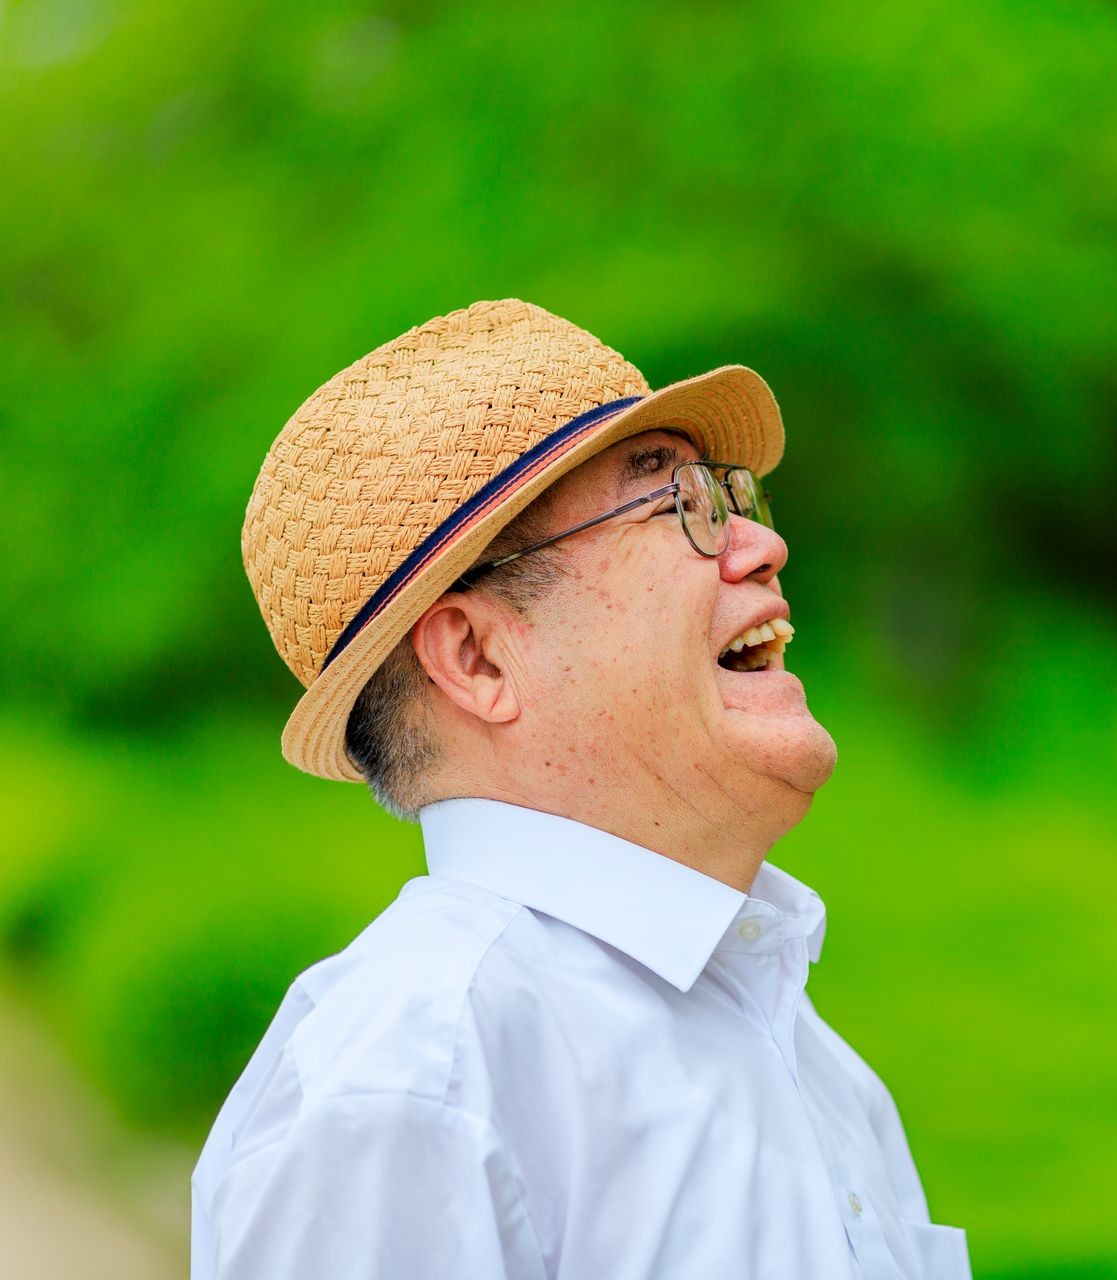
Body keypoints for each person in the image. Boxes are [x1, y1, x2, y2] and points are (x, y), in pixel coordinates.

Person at [191, 299, 970, 1279]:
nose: (757, 545)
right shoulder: (413, 1080)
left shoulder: (807, 1056)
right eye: (670, 507)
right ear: (477, 657)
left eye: (726, 497)